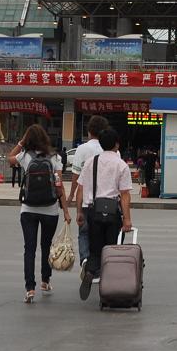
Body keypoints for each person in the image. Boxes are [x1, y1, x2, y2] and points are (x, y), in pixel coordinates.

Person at [70, 125, 132, 299]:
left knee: (95, 249)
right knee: (111, 250)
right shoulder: (121, 165)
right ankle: (108, 288)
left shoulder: (91, 162)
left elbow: (80, 189)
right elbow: (125, 195)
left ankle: (90, 271)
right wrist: (127, 219)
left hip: (93, 211)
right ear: (117, 144)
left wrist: (79, 212)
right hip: (112, 213)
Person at [8, 124, 65, 302]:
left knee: (29, 248)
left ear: (28, 139)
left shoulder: (25, 156)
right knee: (46, 245)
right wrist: (66, 210)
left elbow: (9, 158)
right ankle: (45, 281)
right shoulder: (55, 157)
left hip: (28, 209)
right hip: (50, 209)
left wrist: (21, 143)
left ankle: (30, 288)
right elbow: (59, 186)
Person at [69, 115, 110, 272]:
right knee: (103, 235)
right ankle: (101, 265)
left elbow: (76, 176)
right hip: (107, 202)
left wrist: (72, 195)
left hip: (87, 199)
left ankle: (85, 260)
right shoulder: (110, 149)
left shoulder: (82, 149)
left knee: (84, 233)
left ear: (89, 131)